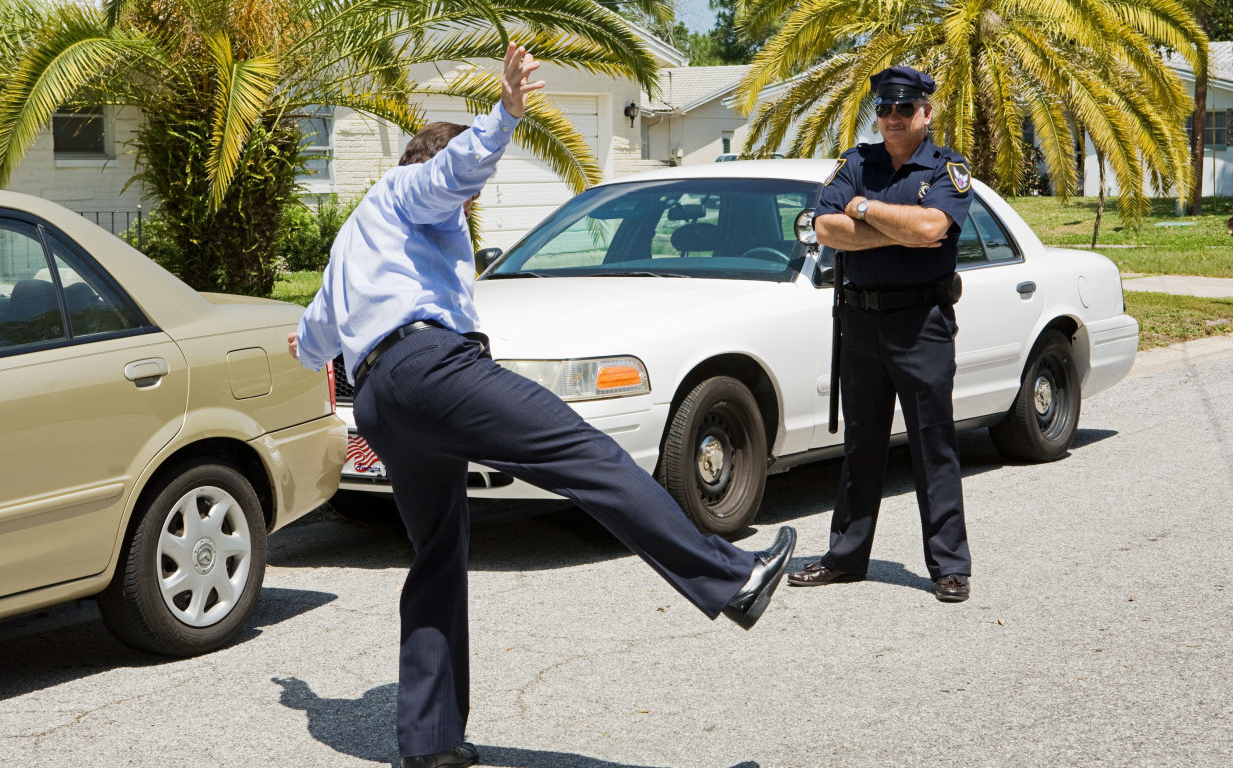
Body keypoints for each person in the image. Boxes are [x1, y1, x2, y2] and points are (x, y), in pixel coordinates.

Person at [289, 42, 796, 768]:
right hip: (431, 368)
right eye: (469, 201)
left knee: (437, 555)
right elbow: (449, 173)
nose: (469, 208)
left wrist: (303, 349)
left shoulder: (353, 237)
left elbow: (314, 337)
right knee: (589, 457)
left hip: (380, 398)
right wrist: (504, 114)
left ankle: (429, 741)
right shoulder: (407, 190)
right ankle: (731, 578)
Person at [787, 66, 974, 603]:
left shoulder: (947, 168)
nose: (892, 117)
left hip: (921, 324)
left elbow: (932, 228)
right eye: (885, 108)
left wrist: (863, 210)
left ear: (926, 112)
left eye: (904, 107)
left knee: (933, 446)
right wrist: (900, 229)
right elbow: (824, 228)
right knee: (861, 445)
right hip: (861, 323)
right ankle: (845, 558)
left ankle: (949, 566)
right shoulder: (855, 163)